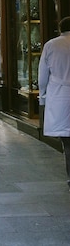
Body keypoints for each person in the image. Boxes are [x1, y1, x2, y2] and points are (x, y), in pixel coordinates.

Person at [38, 16, 70, 191]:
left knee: (67, 139)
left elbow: (43, 75)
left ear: (60, 29)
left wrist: (42, 95)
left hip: (60, 95)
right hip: (61, 93)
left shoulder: (51, 45)